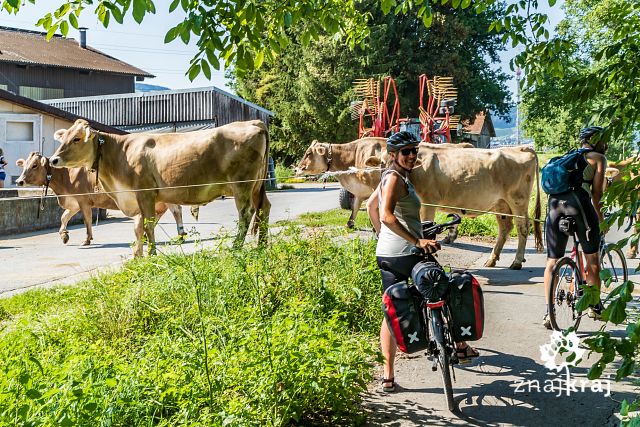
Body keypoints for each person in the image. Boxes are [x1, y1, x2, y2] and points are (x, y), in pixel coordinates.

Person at [366, 131, 478, 393]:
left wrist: (383, 239)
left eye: (414, 150)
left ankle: (388, 376)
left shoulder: (388, 177)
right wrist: (417, 241)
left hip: (387, 255)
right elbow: (385, 215)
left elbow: (372, 208)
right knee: (444, 287)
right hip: (409, 252)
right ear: (392, 155)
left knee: (391, 307)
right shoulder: (395, 178)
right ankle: (460, 347)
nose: (411, 155)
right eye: (405, 152)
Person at [542, 126, 608, 329]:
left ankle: (549, 311)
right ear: (595, 141)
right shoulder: (598, 158)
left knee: (552, 261)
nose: (606, 145)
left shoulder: (566, 158)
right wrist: (600, 218)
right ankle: (595, 306)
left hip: (554, 205)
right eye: (604, 141)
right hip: (578, 204)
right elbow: (596, 195)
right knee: (592, 258)